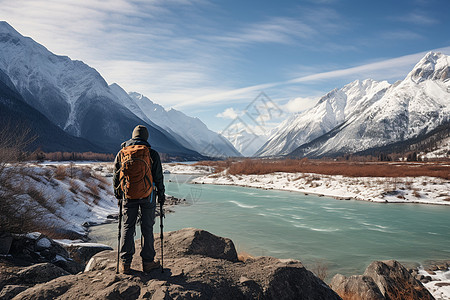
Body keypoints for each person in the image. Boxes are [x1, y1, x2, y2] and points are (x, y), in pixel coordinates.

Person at [113, 125, 165, 274]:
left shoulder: (122, 153)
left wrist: (118, 193)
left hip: (128, 195)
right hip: (148, 196)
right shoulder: (152, 153)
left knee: (128, 227)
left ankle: (125, 264)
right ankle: (148, 263)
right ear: (146, 137)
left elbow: (116, 175)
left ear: (133, 136)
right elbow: (158, 177)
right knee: (147, 228)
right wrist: (161, 194)